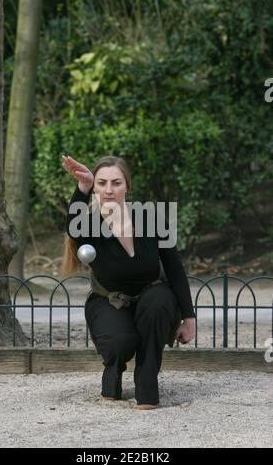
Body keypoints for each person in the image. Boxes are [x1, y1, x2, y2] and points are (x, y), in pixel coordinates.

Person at [61, 155, 195, 410]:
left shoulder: (152, 218)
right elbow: (72, 225)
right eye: (102, 183)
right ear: (96, 188)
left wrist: (189, 319)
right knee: (120, 342)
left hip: (152, 296)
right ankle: (113, 372)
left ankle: (147, 385)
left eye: (116, 183)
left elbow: (175, 269)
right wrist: (83, 187)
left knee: (159, 302)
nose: (109, 190)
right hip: (109, 300)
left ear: (127, 187)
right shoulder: (88, 225)